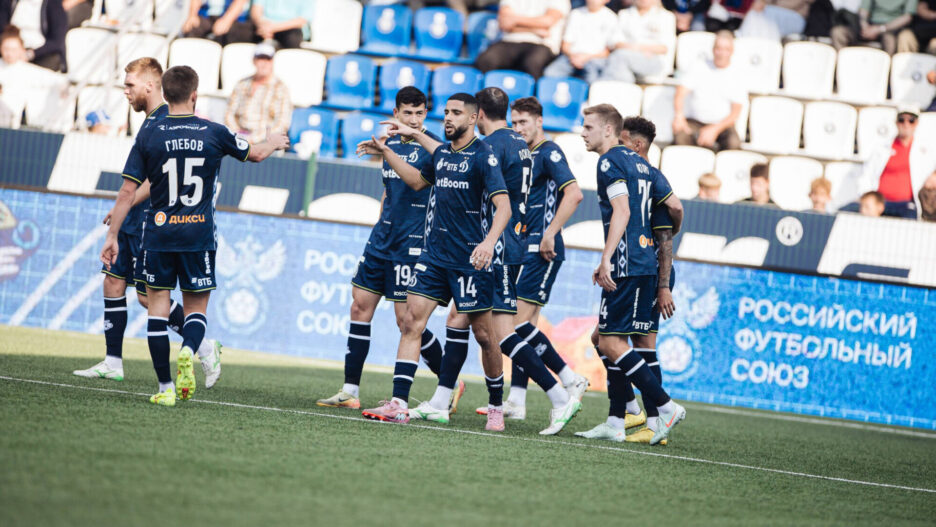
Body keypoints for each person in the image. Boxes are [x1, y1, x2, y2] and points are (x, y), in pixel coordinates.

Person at [99, 65, 289, 406]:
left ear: (164, 93)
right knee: (196, 310)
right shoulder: (213, 132)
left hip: (158, 234)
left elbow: (128, 191)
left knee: (156, 309)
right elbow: (257, 154)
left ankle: (165, 389)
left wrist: (112, 235)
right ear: (195, 95)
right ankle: (189, 348)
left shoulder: (150, 133)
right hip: (198, 235)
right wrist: (273, 141)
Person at [401, 88, 584, 435]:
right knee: (459, 321)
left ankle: (560, 395)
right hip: (509, 243)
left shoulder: (491, 147)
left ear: (479, 115)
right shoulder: (518, 143)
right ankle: (441, 400)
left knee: (503, 334)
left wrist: (418, 135)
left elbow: (453, 158)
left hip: (496, 246)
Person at [356, 93, 511, 428]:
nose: (448, 118)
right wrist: (386, 151)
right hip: (434, 256)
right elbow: (416, 180)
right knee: (411, 322)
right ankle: (399, 403)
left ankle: (496, 405)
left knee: (485, 336)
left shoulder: (484, 156)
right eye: (446, 112)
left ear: (473, 118)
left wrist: (488, 243)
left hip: (471, 260)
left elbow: (505, 207)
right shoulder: (441, 155)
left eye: (456, 113)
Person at [75, 58, 222, 388]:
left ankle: (203, 346)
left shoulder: (168, 121)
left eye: (130, 85)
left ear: (151, 86)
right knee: (113, 281)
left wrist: (125, 204)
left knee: (147, 297)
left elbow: (155, 181)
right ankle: (113, 361)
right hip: (134, 219)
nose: (126, 91)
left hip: (153, 221)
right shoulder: (150, 122)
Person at [316, 86, 460, 412]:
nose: (414, 119)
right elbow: (388, 191)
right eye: (407, 113)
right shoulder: (390, 143)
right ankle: (350, 390)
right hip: (382, 238)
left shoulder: (434, 148)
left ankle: (447, 383)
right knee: (359, 307)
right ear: (396, 114)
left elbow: (417, 182)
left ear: (426, 114)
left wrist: (385, 152)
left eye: (419, 113)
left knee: (406, 321)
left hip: (412, 243)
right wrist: (381, 223)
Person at [574, 104, 686, 445]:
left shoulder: (610, 161)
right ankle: (618, 419)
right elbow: (675, 206)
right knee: (611, 340)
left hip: (629, 265)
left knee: (612, 342)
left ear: (609, 130)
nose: (583, 133)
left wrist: (606, 258)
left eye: (588, 127)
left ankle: (663, 409)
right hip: (643, 263)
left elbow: (622, 210)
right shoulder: (646, 168)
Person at [474, 96, 588, 423]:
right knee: (524, 327)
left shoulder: (549, 151)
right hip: (526, 246)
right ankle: (518, 400)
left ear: (539, 121)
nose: (518, 127)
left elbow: (574, 194)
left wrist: (551, 232)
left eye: (524, 122)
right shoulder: (524, 154)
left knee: (515, 325)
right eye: (515, 122)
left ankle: (569, 378)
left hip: (543, 247)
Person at [672, 30, 745, 152]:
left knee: (733, 143)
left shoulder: (737, 75)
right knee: (680, 136)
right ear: (713, 49)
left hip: (722, 126)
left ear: (732, 51)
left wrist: (714, 129)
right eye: (718, 48)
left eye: (726, 49)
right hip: (695, 122)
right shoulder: (698, 66)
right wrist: (679, 116)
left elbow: (735, 113)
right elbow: (680, 93)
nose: (721, 53)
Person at [858, 105, 934, 219]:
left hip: (907, 205)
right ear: (896, 123)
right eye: (902, 120)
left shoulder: (926, 150)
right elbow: (866, 174)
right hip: (880, 204)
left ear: (916, 124)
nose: (906, 124)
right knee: (845, 211)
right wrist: (868, 198)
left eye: (911, 120)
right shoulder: (882, 148)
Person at [475, 0, 571, 79]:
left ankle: (533, 96)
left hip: (542, 45)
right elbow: (504, 23)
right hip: (509, 41)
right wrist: (536, 29)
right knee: (485, 60)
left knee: (532, 63)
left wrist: (514, 20)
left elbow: (547, 21)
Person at [224, 42, 292, 145]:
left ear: (272, 62)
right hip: (238, 139)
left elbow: (282, 124)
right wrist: (236, 134)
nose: (264, 63)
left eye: (267, 59)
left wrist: (253, 139)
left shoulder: (280, 88)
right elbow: (229, 113)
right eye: (260, 59)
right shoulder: (242, 84)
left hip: (264, 142)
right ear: (254, 60)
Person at [542, 0, 617, 84]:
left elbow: (608, 51)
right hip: (571, 57)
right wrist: (573, 56)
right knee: (550, 74)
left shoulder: (611, 18)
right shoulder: (575, 14)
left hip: (595, 60)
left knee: (592, 80)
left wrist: (586, 57)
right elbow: (565, 45)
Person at [600, 0, 676, 83]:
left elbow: (664, 48)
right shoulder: (624, 14)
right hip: (628, 57)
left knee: (620, 57)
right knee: (599, 63)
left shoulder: (666, 16)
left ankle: (613, 87)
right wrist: (641, 49)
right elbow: (615, 43)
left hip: (655, 61)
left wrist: (632, 47)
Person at [0, 0, 66, 71]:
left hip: (40, 53)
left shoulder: (53, 4)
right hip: (11, 47)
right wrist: (9, 49)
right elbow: (3, 28)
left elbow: (57, 41)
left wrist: (29, 54)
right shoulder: (9, 2)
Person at [830, 0, 916, 54]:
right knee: (838, 33)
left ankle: (886, 74)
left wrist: (880, 29)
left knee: (889, 40)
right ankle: (842, 70)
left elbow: (907, 17)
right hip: (870, 25)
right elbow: (864, 10)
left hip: (891, 28)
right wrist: (864, 25)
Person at [183, 0, 255, 46]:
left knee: (229, 35)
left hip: (234, 18)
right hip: (207, 16)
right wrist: (192, 15)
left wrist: (226, 21)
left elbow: (240, 2)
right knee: (192, 28)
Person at [250, 0, 315, 49]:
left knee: (293, 39)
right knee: (245, 33)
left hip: (289, 28)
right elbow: (256, 11)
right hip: (263, 26)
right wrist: (262, 25)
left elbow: (302, 20)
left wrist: (272, 28)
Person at [738, 0, 815, 41]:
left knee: (766, 14)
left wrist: (765, 4)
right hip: (771, 11)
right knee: (755, 14)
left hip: (797, 17)